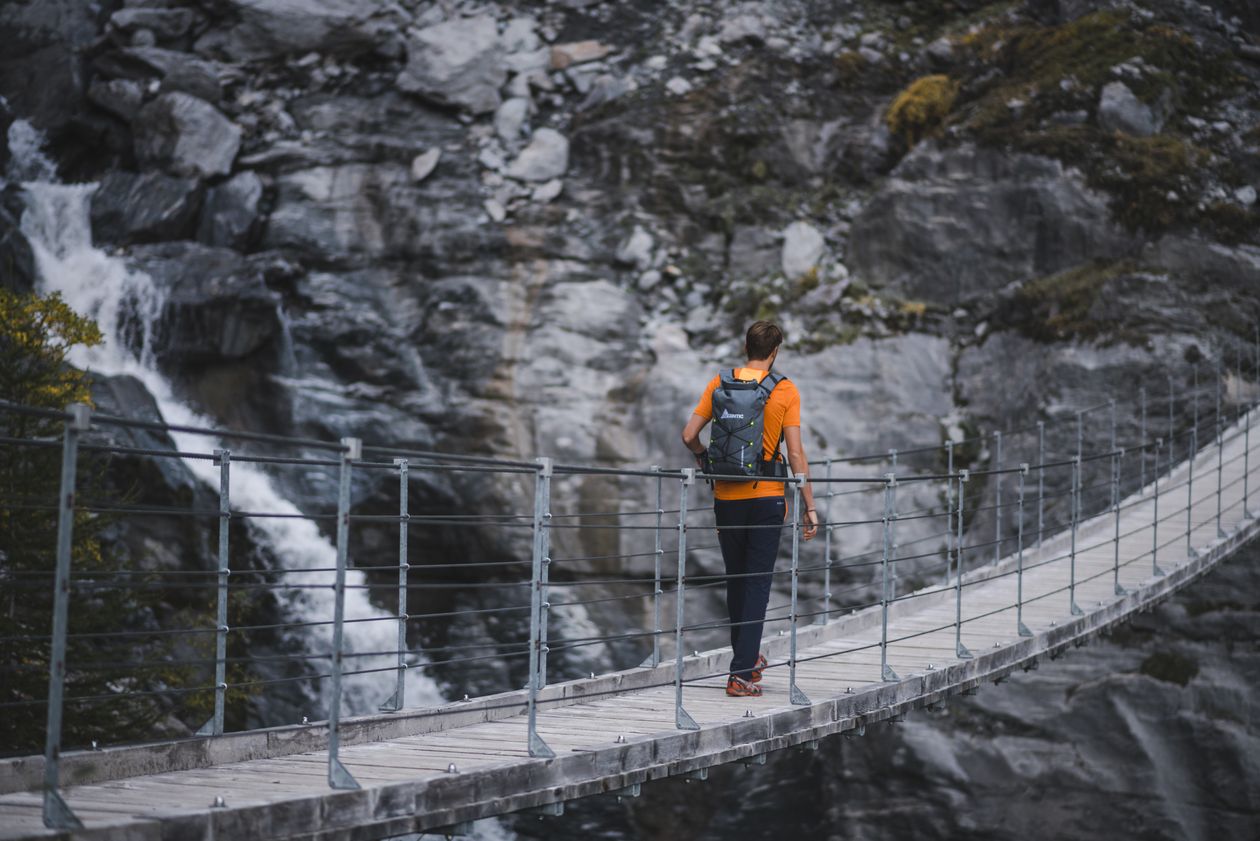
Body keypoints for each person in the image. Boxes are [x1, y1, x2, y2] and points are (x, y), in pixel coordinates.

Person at [680, 321, 819, 697]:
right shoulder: (785, 389)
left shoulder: (720, 383)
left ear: (746, 347)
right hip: (768, 497)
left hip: (726, 498)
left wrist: (703, 459)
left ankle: (748, 658)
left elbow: (689, 435)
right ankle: (741, 673)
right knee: (757, 581)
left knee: (737, 579)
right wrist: (809, 505)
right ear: (775, 352)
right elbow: (795, 454)